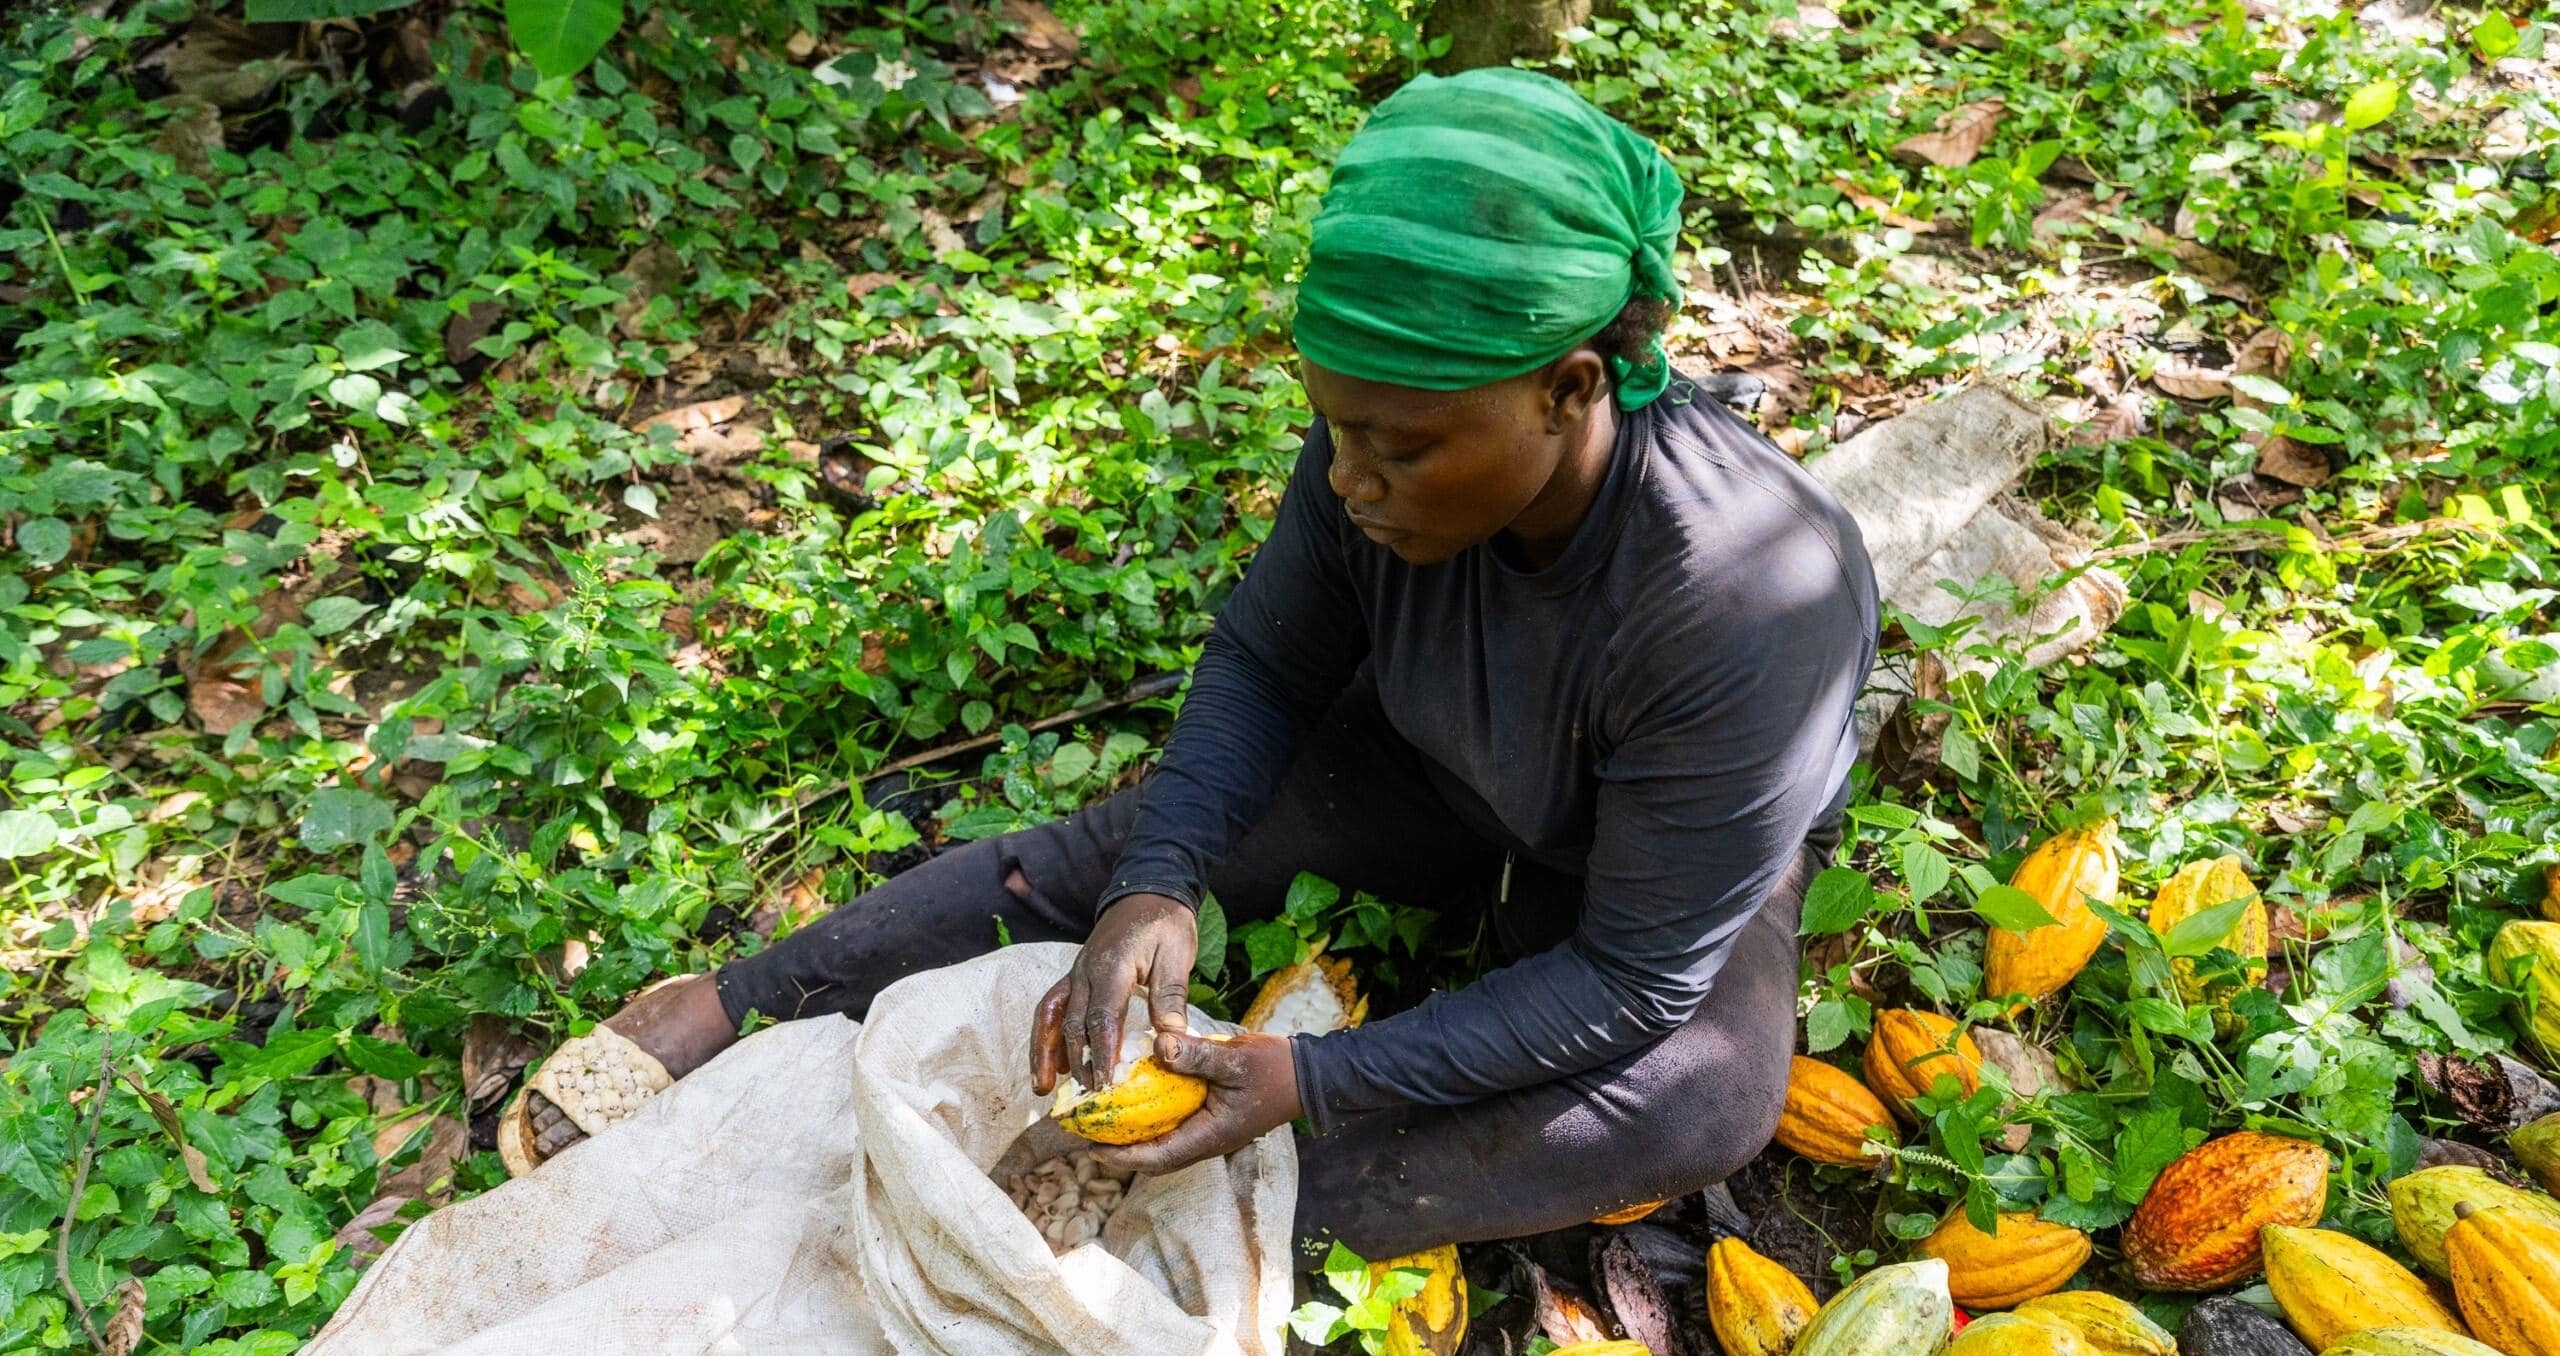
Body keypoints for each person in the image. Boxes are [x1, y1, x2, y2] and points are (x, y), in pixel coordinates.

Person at [497, 67, 1878, 1265]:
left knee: (1704, 1096)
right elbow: (1271, 661)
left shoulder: (1742, 606)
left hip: (1638, 872)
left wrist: (1311, 1080)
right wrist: (1160, 883)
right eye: (1334, 431)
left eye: (1397, 449)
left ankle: (1263, 1211)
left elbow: (1633, 979)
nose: (1351, 480)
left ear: (1569, 388)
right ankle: (730, 1002)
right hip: (1434, 758)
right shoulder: (1380, 435)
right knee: (1126, 857)